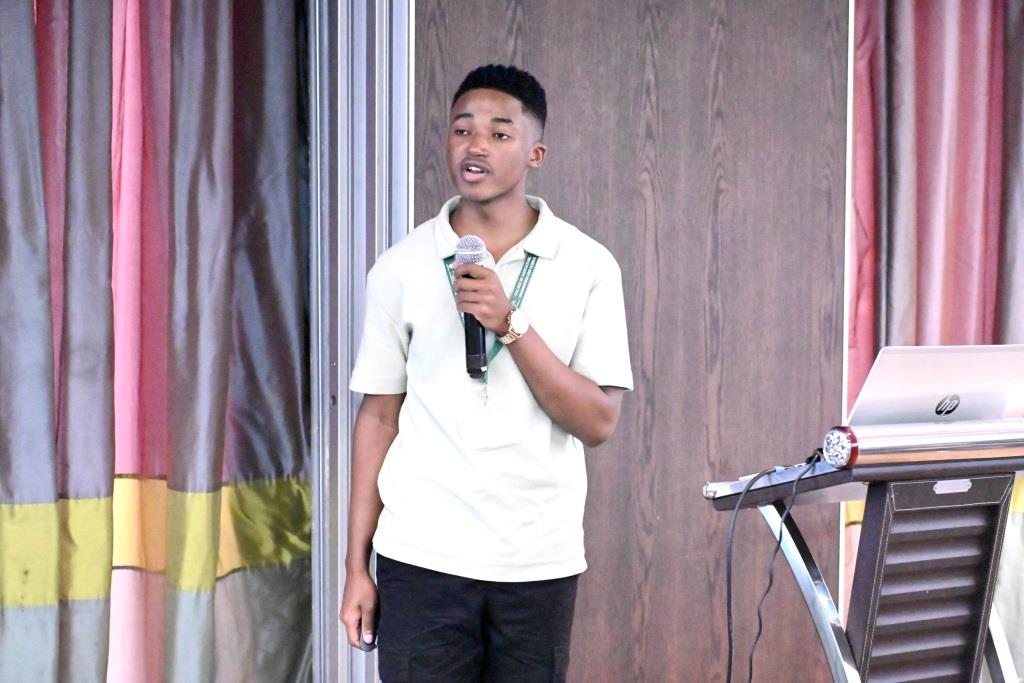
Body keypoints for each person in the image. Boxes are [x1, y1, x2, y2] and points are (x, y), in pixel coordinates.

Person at [340, 64, 633, 682]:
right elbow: (378, 418)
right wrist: (355, 567)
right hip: (420, 556)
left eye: (500, 133)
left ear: (535, 154)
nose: (476, 145)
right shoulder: (400, 267)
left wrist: (509, 323)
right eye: (462, 130)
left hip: (537, 563)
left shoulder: (588, 265)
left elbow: (598, 421)